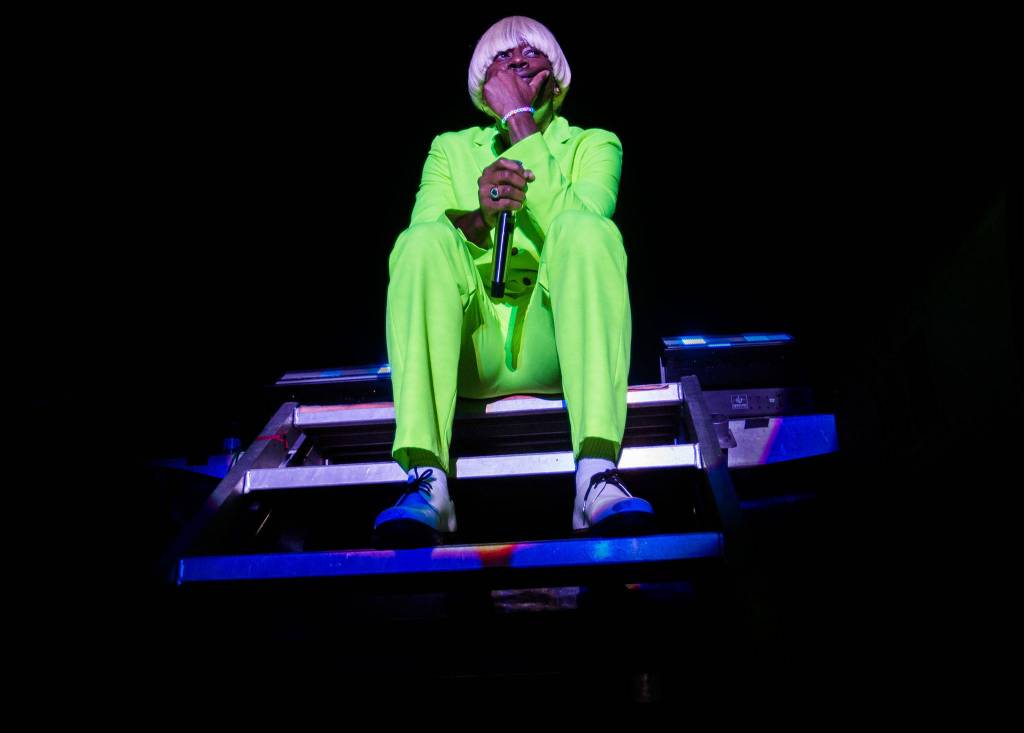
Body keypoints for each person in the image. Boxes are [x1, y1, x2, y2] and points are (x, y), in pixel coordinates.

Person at [374, 16, 655, 547]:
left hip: (555, 343)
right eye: (502, 57)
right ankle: (426, 480)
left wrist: (520, 123)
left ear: (557, 76)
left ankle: (595, 474)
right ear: (483, 81)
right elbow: (424, 234)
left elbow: (584, 224)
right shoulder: (450, 148)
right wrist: (479, 217)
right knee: (419, 244)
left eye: (532, 53)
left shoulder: (594, 144)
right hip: (471, 345)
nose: (518, 59)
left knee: (589, 231)